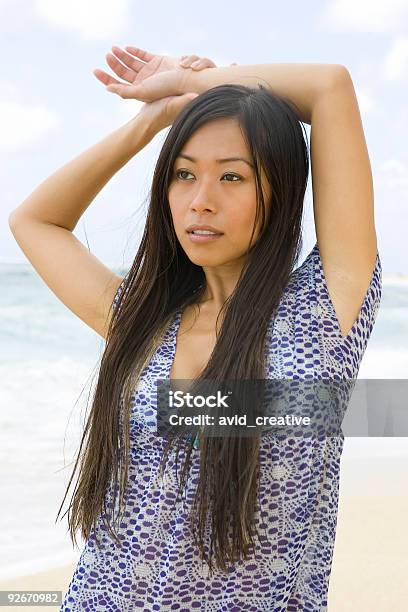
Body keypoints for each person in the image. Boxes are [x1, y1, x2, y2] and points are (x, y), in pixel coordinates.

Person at [8, 47, 382, 611]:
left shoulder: (321, 318)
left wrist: (194, 81)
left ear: (279, 192)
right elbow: (34, 221)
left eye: (232, 176)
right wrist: (154, 119)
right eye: (184, 174)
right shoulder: (143, 323)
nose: (201, 202)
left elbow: (329, 87)